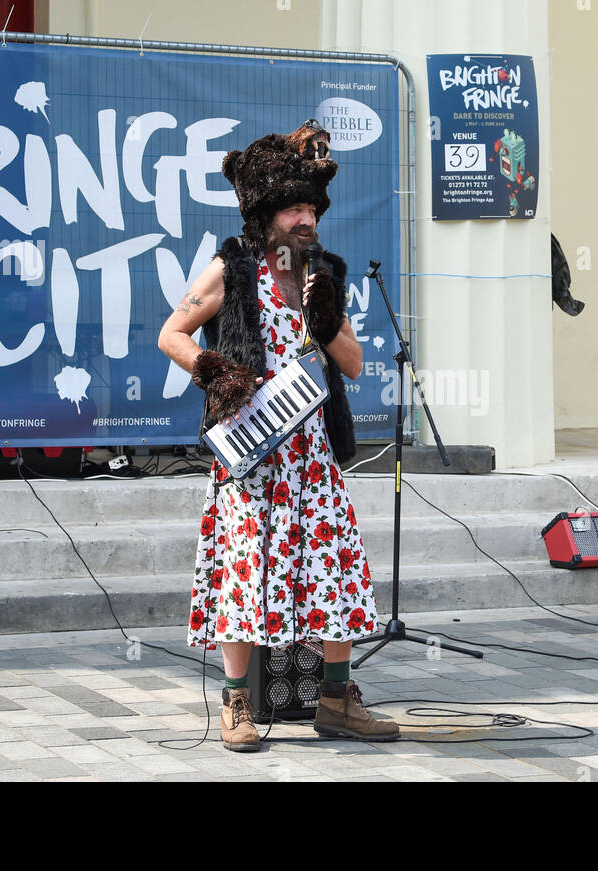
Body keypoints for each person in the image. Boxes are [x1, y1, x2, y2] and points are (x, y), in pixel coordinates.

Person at [157, 120, 397, 751]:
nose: (304, 218)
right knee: (242, 573)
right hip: (249, 453)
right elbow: (171, 335)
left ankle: (337, 700)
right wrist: (213, 372)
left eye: (310, 208)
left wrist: (326, 316)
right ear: (267, 212)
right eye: (293, 207)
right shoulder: (231, 267)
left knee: (338, 571)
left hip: (312, 457)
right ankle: (236, 706)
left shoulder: (323, 272)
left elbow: (353, 363)